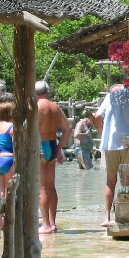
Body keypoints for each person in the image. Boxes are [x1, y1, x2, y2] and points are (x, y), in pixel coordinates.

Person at [93, 82, 129, 227]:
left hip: (110, 144)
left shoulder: (111, 97)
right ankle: (122, 216)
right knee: (127, 182)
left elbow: (98, 117)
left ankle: (107, 217)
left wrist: (102, 133)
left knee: (110, 181)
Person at [36, 81, 72, 234]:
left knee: (43, 188)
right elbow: (68, 128)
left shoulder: (36, 106)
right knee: (51, 186)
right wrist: (59, 149)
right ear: (47, 91)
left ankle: (45, 224)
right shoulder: (55, 106)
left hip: (40, 146)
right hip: (51, 144)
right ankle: (53, 223)